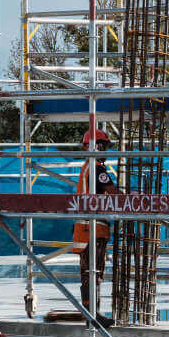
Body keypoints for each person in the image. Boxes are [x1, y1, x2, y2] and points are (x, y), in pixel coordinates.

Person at [69, 129, 119, 323]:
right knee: (93, 272)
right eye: (105, 146)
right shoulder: (96, 168)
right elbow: (112, 192)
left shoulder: (88, 167)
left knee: (89, 271)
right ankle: (93, 314)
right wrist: (131, 199)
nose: (106, 151)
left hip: (88, 229)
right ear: (97, 145)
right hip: (93, 229)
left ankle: (92, 313)